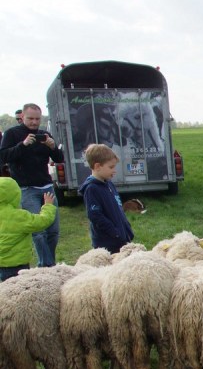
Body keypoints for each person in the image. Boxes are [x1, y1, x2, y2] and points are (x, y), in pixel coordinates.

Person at [0, 103, 64, 267]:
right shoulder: (12, 133)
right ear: (22, 117)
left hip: (46, 186)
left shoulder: (44, 134)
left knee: (53, 231)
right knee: (38, 231)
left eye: (37, 119)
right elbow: (4, 157)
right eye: (30, 119)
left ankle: (49, 263)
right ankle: (46, 265)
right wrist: (23, 145)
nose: (34, 122)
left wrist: (52, 147)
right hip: (26, 188)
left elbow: (59, 159)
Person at [77, 144, 134, 254]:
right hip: (108, 244)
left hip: (121, 240)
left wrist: (126, 229)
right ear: (97, 166)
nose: (114, 171)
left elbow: (118, 210)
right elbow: (95, 215)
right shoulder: (92, 189)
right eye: (111, 167)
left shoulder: (109, 184)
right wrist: (114, 232)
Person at [0, 177, 56, 281]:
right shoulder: (18, 216)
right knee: (18, 292)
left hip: (1, 264)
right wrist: (48, 206)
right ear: (15, 195)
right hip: (17, 265)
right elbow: (41, 221)